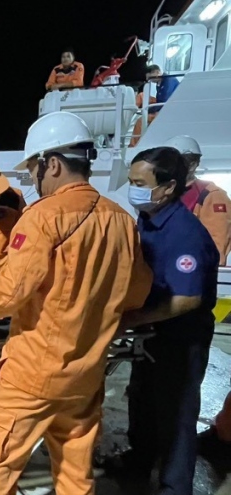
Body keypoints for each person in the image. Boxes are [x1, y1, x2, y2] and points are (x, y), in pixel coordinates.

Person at [0, 111, 153, 495]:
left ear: (53, 164)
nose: (33, 178)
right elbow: (137, 293)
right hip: (86, 374)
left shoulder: (42, 217)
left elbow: (11, 291)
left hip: (33, 374)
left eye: (33, 169)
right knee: (75, 475)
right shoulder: (121, 220)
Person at [116, 146, 219, 494]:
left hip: (180, 335)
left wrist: (132, 318)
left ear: (168, 187)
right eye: (131, 181)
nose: (133, 190)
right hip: (151, 331)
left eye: (139, 183)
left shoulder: (184, 233)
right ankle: (138, 463)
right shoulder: (148, 219)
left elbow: (187, 299)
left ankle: (175, 486)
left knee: (176, 412)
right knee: (142, 400)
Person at [165, 135, 231, 265]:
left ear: (192, 164)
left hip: (189, 269)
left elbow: (216, 244)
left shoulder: (211, 195)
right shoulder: (165, 191)